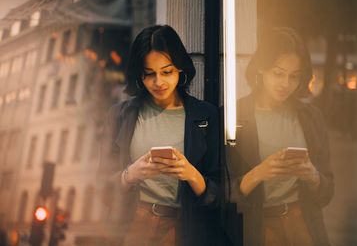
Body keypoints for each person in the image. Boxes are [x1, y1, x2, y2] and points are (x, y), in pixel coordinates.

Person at [98, 25, 220, 246]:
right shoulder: (120, 116)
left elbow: (221, 195)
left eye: (167, 71)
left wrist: (191, 174)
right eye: (149, 74)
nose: (159, 82)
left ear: (181, 69)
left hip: (186, 228)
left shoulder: (207, 115)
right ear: (139, 75)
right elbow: (102, 189)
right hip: (135, 225)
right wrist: (130, 174)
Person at [228, 27, 334, 246]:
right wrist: (258, 174)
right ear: (261, 69)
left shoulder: (310, 117)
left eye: (294, 77)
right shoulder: (234, 116)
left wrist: (312, 175)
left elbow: (327, 192)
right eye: (278, 73)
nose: (286, 84)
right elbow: (218, 194)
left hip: (303, 225)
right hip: (257, 227)